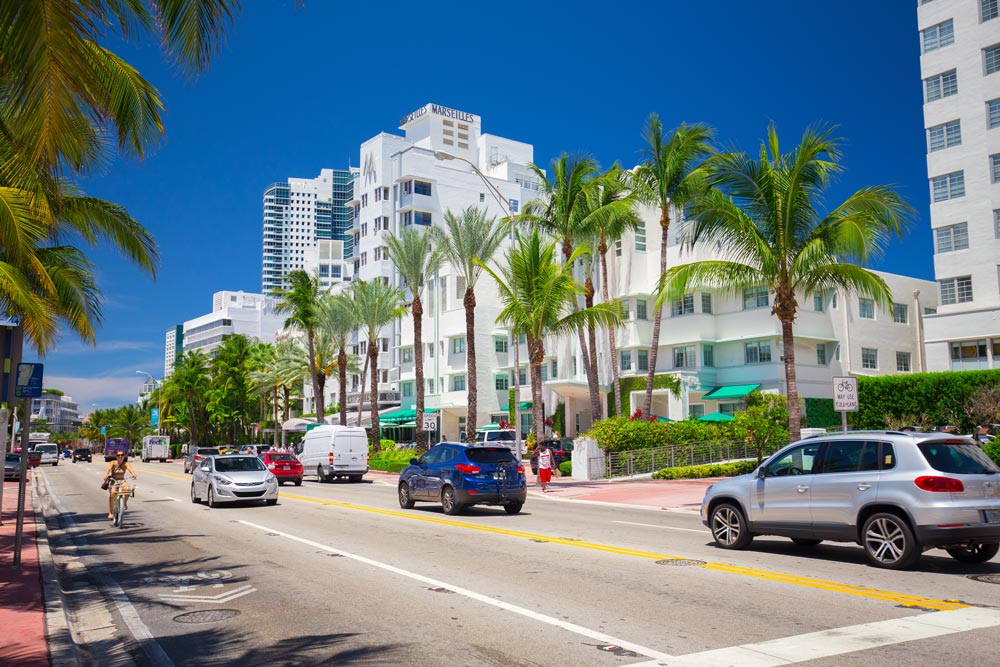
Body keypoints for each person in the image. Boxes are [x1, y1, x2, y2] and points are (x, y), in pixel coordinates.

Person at [104, 451, 137, 520]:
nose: (120, 456)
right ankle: (110, 513)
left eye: (122, 455)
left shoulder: (125, 463)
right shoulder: (113, 462)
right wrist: (106, 475)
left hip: (122, 480)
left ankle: (124, 503)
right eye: (118, 455)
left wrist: (133, 474)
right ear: (116, 456)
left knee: (128, 489)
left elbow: (130, 469)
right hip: (114, 480)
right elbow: (108, 469)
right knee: (112, 493)